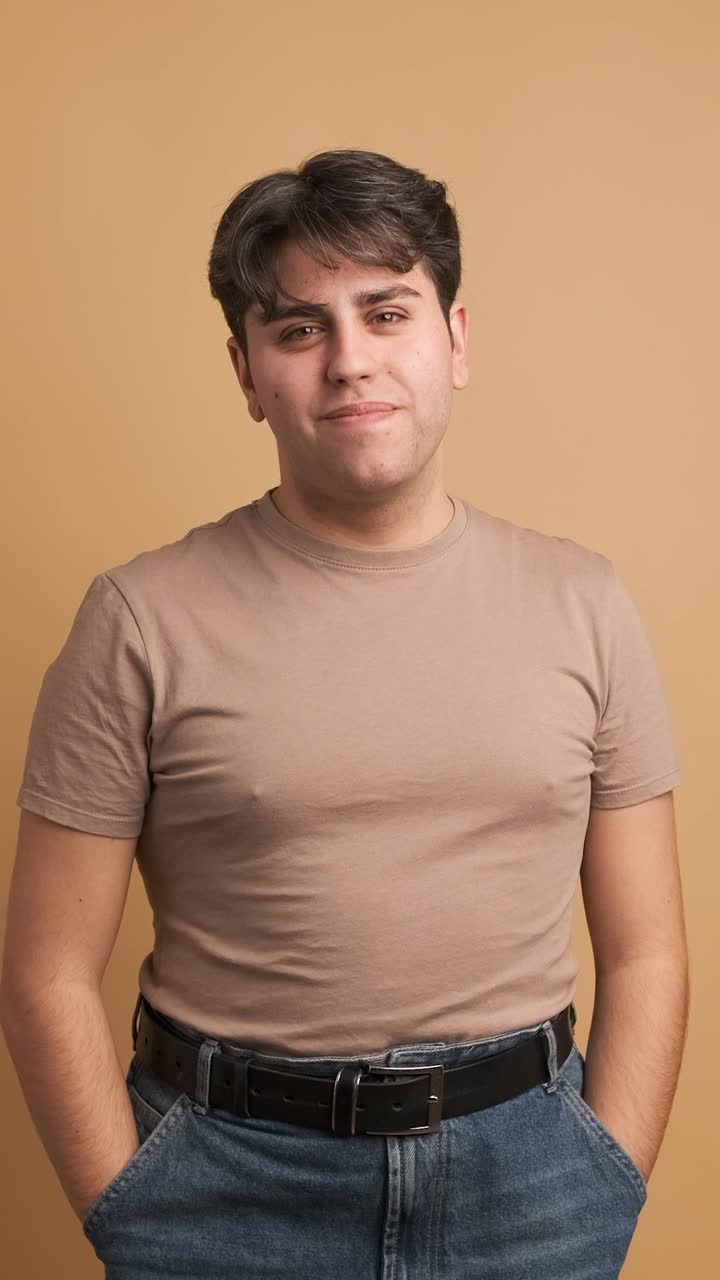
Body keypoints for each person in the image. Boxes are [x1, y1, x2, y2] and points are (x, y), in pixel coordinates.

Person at [1, 148, 688, 1279]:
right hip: (226, 1180)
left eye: (386, 310)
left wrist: (601, 1176)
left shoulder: (585, 603)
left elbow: (650, 947)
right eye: (300, 328)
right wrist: (134, 1208)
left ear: (456, 338)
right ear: (246, 369)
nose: (350, 361)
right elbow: (44, 970)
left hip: (533, 1179)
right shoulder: (138, 618)